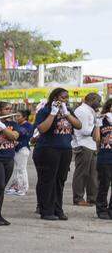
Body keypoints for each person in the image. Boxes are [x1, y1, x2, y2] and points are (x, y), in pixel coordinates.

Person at [32, 88, 81, 221]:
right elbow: (41, 129)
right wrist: (53, 113)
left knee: (60, 180)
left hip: (65, 149)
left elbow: (78, 125)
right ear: (55, 98)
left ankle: (57, 209)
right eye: (63, 97)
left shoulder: (68, 111)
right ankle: (46, 210)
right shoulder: (45, 111)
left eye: (67, 97)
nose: (66, 100)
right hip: (48, 149)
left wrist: (67, 114)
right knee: (48, 180)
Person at [71, 92, 100, 207]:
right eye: (98, 100)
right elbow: (83, 130)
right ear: (91, 100)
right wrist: (97, 130)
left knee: (93, 175)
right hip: (83, 145)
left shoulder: (90, 111)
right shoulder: (82, 111)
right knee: (82, 173)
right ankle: (78, 198)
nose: (100, 103)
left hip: (91, 145)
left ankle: (92, 199)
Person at [5, 109, 35, 196]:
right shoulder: (17, 124)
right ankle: (15, 187)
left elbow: (23, 134)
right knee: (17, 169)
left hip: (23, 149)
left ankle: (23, 188)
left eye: (18, 116)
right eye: (16, 116)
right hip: (16, 149)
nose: (16, 118)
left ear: (24, 117)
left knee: (22, 169)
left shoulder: (28, 125)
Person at [95, 98, 112, 221]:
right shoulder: (102, 120)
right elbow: (96, 139)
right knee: (104, 184)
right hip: (105, 157)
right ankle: (101, 209)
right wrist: (97, 124)